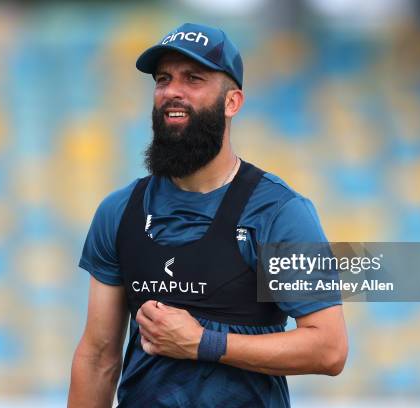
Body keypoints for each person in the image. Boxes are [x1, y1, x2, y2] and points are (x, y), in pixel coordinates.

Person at [68, 23, 348, 408]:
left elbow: (329, 348)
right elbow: (99, 356)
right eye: (163, 79)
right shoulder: (119, 212)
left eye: (193, 79)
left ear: (232, 102)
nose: (172, 92)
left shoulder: (278, 212)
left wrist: (204, 343)